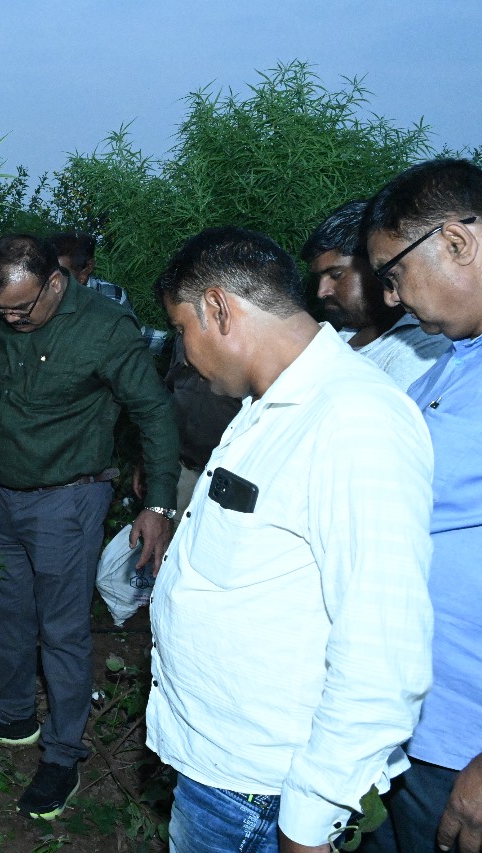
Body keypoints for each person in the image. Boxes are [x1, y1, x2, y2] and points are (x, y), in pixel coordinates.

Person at [147, 225, 434, 853]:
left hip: (268, 797)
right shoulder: (270, 406)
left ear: (218, 309)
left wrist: (309, 820)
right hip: (224, 771)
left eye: (182, 330)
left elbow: (383, 652)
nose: (185, 353)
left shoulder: (354, 420)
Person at [0, 234, 179, 819]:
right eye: (2, 310)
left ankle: (63, 753)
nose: (13, 319)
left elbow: (152, 410)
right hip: (3, 495)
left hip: (69, 499)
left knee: (62, 627)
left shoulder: (104, 327)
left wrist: (161, 504)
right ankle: (13, 713)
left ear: (56, 282)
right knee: (5, 609)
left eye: (24, 307)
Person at [364, 158, 482, 853]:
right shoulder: (451, 359)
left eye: (394, 272)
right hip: (410, 723)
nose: (390, 298)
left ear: (458, 242)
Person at [301, 200, 448, 389]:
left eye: (336, 275)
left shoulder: (424, 345)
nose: (322, 292)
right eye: (319, 278)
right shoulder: (342, 333)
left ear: (377, 265)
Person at [49, 231, 169, 353]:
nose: (53, 280)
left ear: (88, 268)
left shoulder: (110, 294)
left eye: (63, 273)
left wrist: (173, 342)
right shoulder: (44, 296)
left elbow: (130, 335)